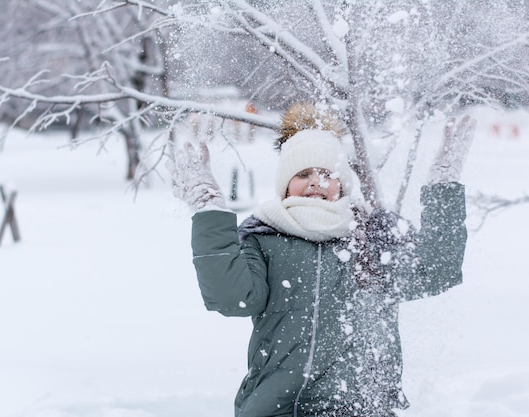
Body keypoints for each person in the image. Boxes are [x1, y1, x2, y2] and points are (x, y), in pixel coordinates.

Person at [166, 103, 476, 417]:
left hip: (360, 409)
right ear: (285, 185)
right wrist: (209, 211)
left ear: (342, 183)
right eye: (303, 174)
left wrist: (444, 187)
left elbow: (438, 270)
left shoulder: (372, 235)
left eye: (327, 174)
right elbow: (232, 299)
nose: (316, 182)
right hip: (280, 409)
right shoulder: (263, 236)